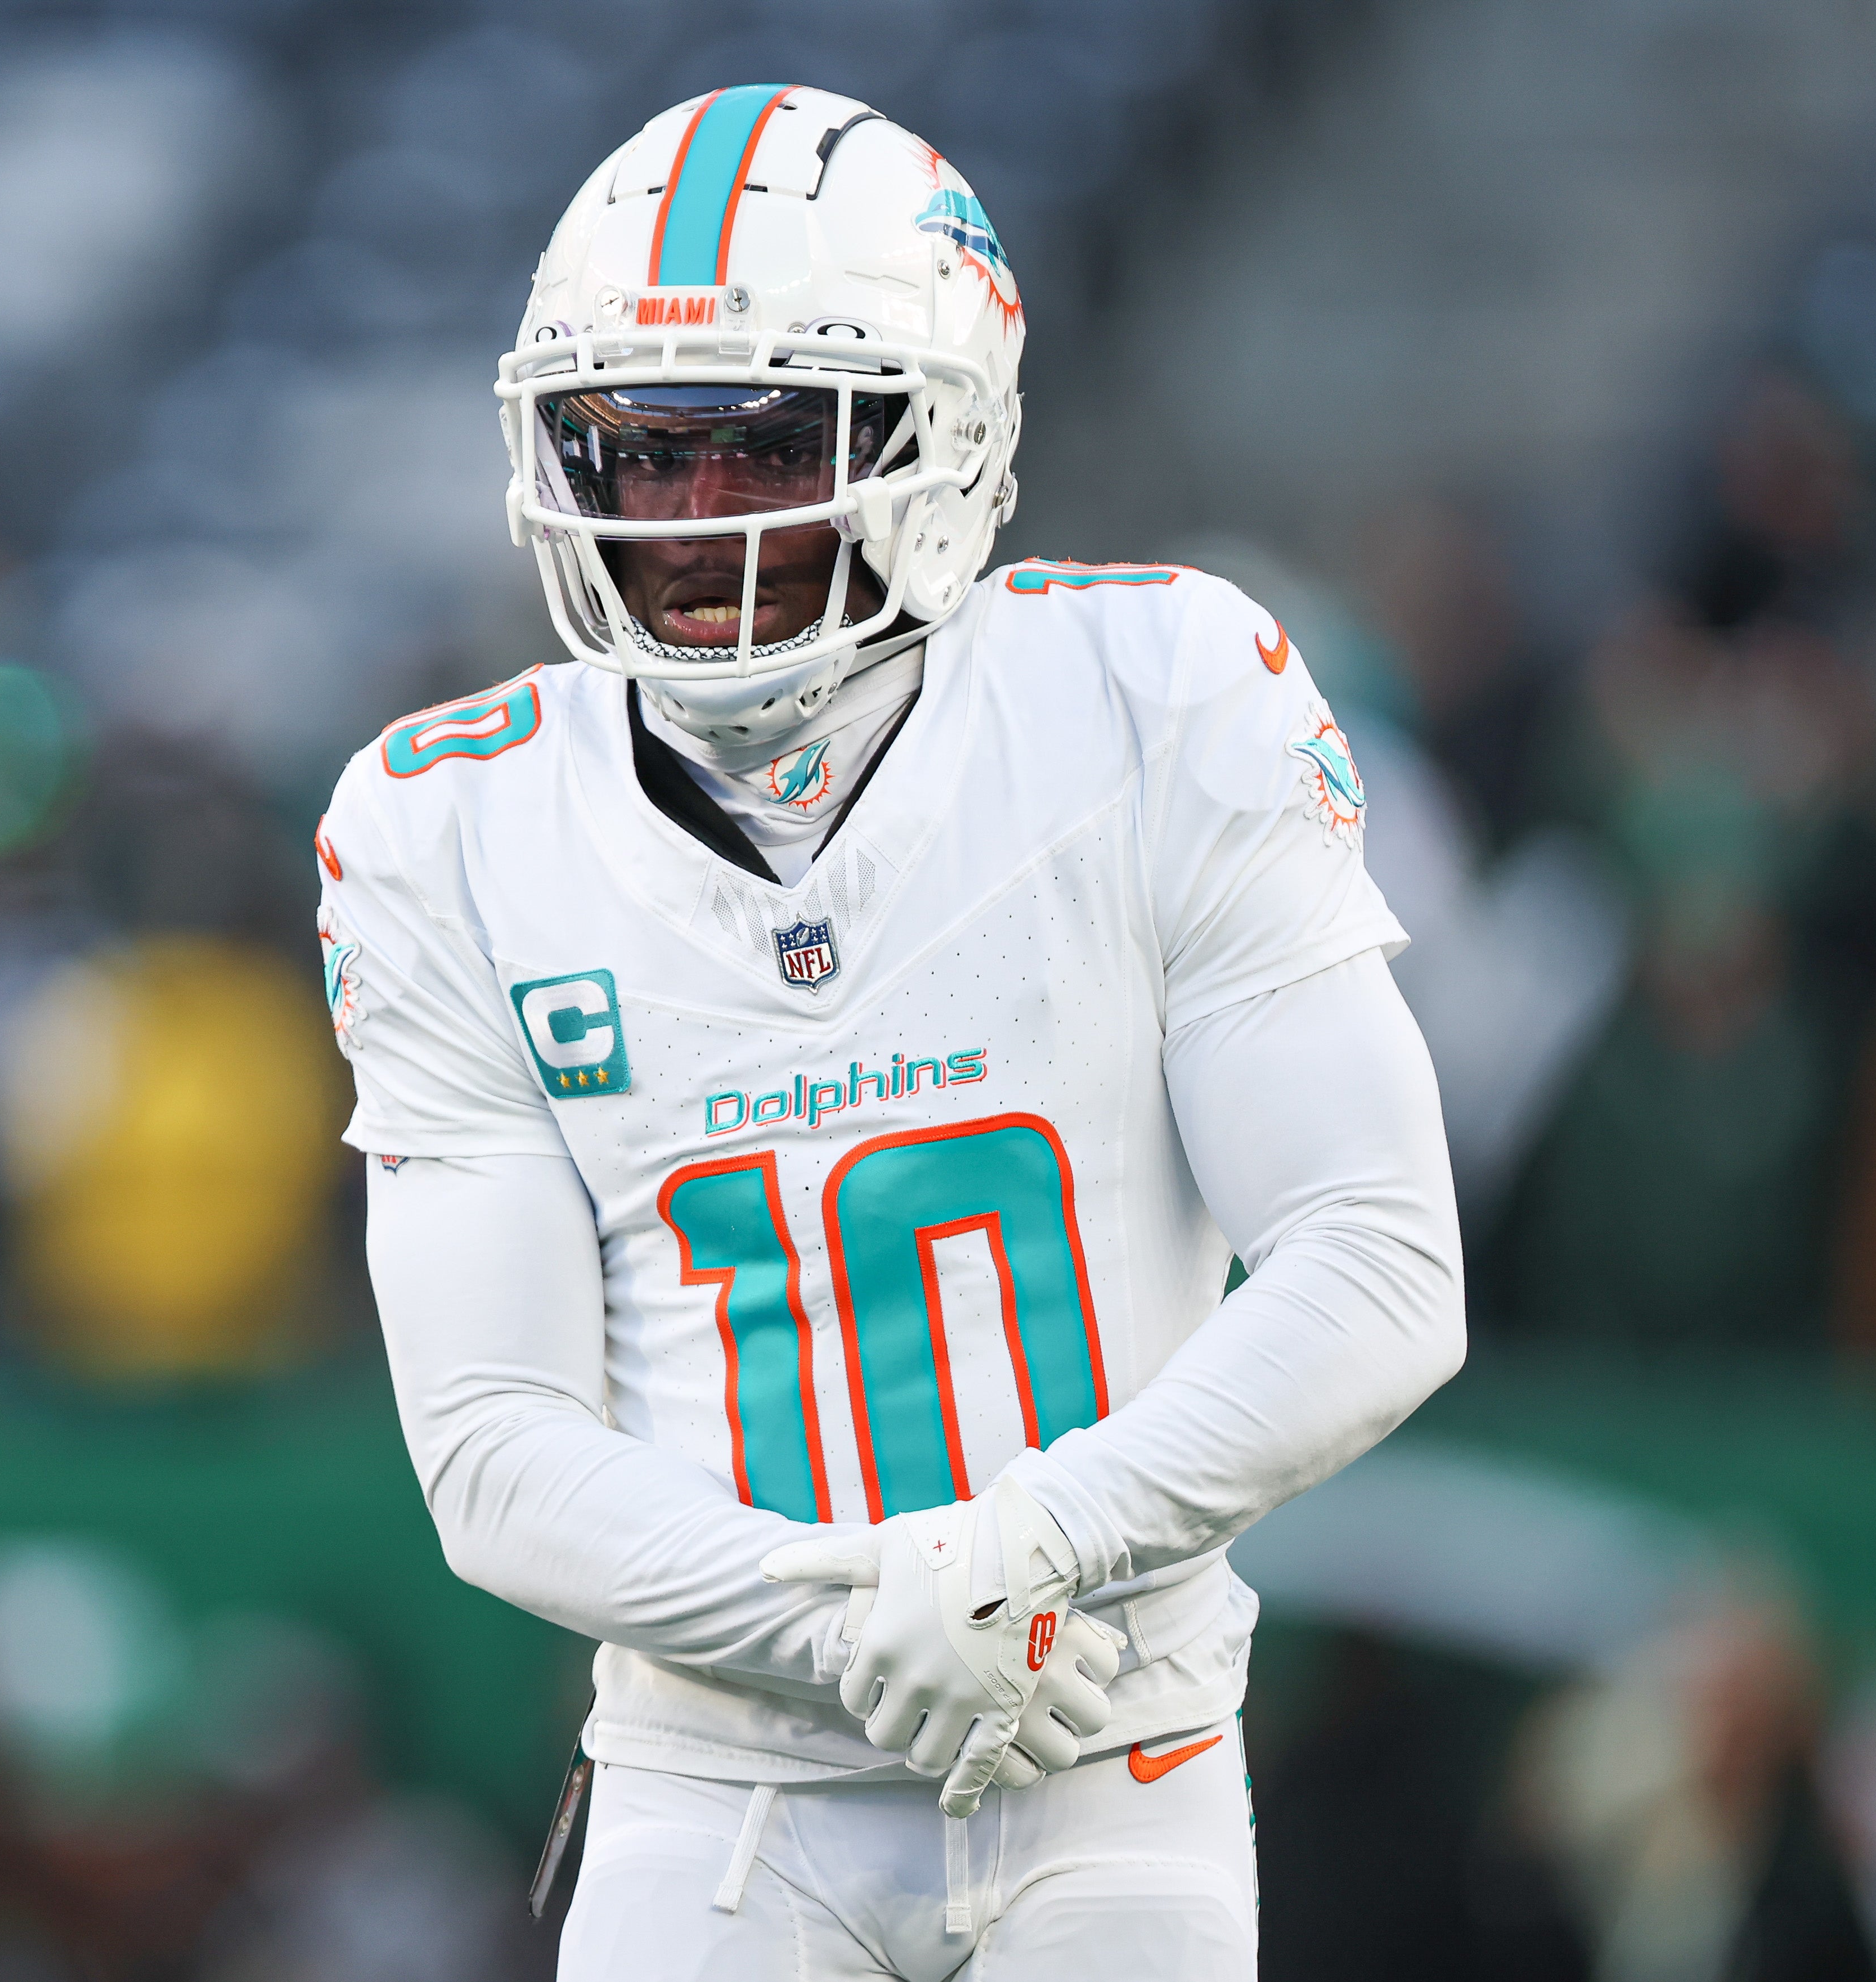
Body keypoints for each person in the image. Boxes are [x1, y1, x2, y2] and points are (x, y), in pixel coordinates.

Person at [319, 85, 1465, 1981]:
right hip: (715, 1795)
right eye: (631, 449)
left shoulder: (1155, 696)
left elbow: (1380, 1257)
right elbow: (495, 1445)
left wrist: (1045, 1545)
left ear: (941, 438)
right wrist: (889, 1611)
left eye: (761, 438)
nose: (689, 520)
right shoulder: (451, 826)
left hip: (1118, 1750)